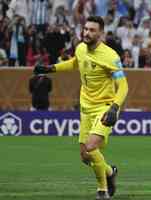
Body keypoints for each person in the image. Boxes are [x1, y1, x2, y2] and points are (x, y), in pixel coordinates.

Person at [32, 16, 128, 200]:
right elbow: (76, 62)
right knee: (85, 156)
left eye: (92, 30)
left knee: (91, 147)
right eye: (85, 29)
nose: (87, 33)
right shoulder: (81, 47)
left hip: (104, 108)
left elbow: (123, 85)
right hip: (86, 107)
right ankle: (109, 172)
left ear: (101, 33)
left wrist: (115, 107)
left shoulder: (110, 56)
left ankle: (102, 191)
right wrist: (49, 69)